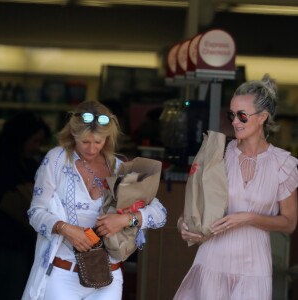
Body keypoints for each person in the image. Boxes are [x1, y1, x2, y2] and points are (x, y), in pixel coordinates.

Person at [22, 100, 167, 300]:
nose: (91, 148)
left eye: (98, 142)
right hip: (62, 273)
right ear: (73, 135)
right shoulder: (56, 159)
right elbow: (35, 212)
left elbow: (160, 214)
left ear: (107, 139)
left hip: (109, 276)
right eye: (85, 142)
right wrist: (65, 228)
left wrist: (126, 220)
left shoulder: (119, 167)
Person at [174, 74, 298, 300]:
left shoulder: (283, 164)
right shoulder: (217, 153)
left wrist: (248, 218)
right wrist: (183, 224)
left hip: (254, 267)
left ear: (262, 117)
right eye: (231, 115)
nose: (234, 122)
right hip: (212, 259)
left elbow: (289, 223)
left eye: (242, 116)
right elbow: (189, 210)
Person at [0, 110, 51, 300]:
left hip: (20, 244)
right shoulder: (4, 164)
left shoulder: (29, 165)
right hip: (6, 244)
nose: (37, 147)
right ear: (21, 138)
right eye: (35, 141)